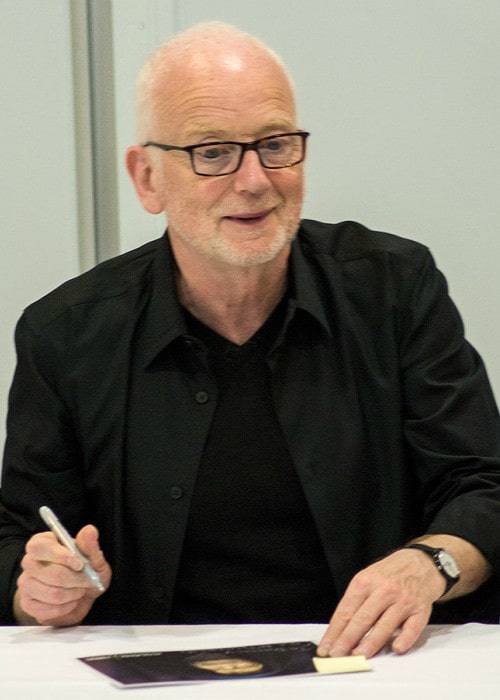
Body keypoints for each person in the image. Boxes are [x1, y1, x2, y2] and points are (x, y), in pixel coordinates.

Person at [0, 22, 499, 660]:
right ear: (148, 177)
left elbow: (484, 486)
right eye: (212, 152)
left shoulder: (394, 291)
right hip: (155, 673)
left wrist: (429, 564)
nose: (256, 180)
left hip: (370, 666)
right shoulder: (65, 335)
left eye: (276, 144)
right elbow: (22, 540)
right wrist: (39, 590)